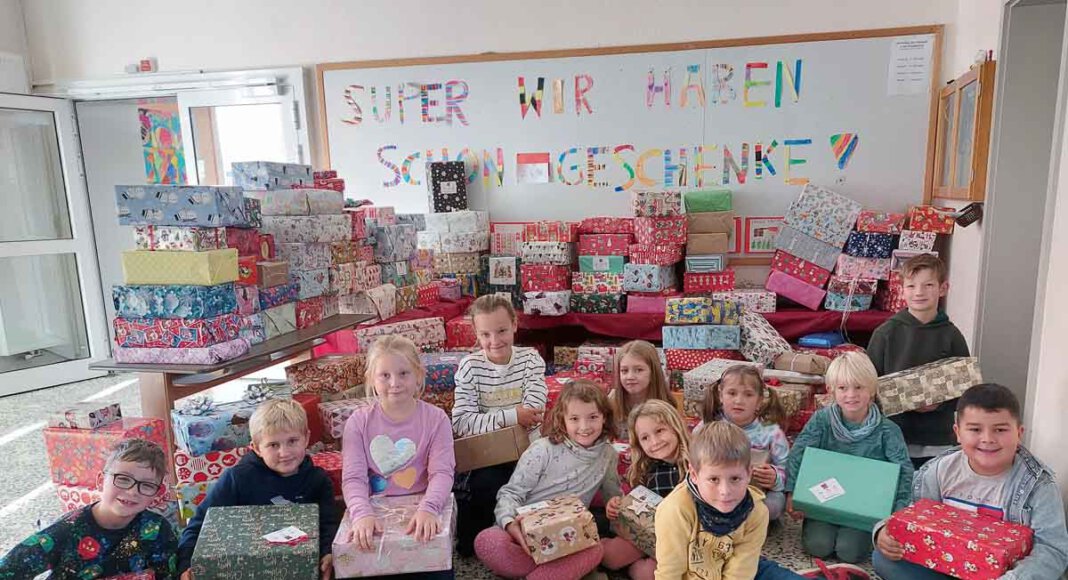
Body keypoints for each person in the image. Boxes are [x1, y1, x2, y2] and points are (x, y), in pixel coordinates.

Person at [873, 384, 1068, 579]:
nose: (987, 439)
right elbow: (911, 512)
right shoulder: (940, 469)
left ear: (1019, 433)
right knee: (885, 558)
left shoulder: (1038, 485)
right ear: (958, 432)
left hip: (1004, 575)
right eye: (975, 429)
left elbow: (1053, 549)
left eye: (1000, 430)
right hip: (946, 564)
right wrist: (884, 531)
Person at [178, 399, 340, 579]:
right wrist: (186, 565)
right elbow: (200, 524)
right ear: (256, 448)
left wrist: (327, 552)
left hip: (300, 569)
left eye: (292, 441)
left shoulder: (318, 480)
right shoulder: (237, 478)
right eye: (273, 445)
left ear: (306, 439)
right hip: (242, 571)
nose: (284, 453)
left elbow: (328, 524)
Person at [474, 380, 620, 580]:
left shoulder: (608, 455)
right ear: (563, 419)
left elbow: (613, 495)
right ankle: (553, 572)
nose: (584, 426)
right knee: (486, 541)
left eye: (593, 417)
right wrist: (510, 525)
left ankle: (544, 572)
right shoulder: (543, 449)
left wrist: (613, 503)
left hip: (568, 537)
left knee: (595, 551)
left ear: (605, 417)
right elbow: (511, 493)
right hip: (524, 533)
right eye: (575, 419)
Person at [341, 335, 456, 579]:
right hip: (376, 512)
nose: (395, 383)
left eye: (403, 373)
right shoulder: (358, 423)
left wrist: (429, 508)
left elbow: (442, 473)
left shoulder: (436, 419)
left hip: (423, 507)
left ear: (419, 376)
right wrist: (361, 514)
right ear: (372, 379)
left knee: (432, 566)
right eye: (385, 375)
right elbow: (353, 478)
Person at [785, 352, 913, 565]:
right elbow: (799, 452)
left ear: (871, 390)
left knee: (849, 551)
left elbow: (904, 471)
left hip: (866, 509)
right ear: (831, 391)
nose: (851, 395)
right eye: (843, 388)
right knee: (818, 546)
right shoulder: (822, 421)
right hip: (823, 503)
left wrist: (895, 516)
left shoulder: (888, 431)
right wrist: (792, 492)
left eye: (859, 387)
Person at [451, 294, 548, 556]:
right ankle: (491, 541)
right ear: (476, 333)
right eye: (485, 334)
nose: (495, 341)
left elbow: (535, 412)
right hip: (488, 455)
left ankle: (531, 540)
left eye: (502, 330)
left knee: (538, 484)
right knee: (485, 486)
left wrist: (497, 420)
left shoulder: (530, 360)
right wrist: (513, 416)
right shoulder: (470, 367)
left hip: (530, 449)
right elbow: (461, 422)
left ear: (515, 324)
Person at [0, 439, 177, 579]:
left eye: (146, 485)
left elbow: (167, 573)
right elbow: (8, 570)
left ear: (156, 493)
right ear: (101, 481)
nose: (132, 492)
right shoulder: (65, 531)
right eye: (123, 479)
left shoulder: (157, 528)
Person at [654, 421, 804, 580]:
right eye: (713, 479)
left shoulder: (757, 511)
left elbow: (741, 572)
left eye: (735, 478)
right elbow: (670, 573)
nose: (725, 492)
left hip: (742, 569)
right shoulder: (674, 510)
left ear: (748, 473)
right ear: (694, 475)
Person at [866, 253, 970, 469]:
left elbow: (966, 392)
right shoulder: (885, 334)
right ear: (901, 289)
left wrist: (940, 402)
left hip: (938, 438)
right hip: (894, 434)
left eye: (928, 285)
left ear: (943, 288)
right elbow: (868, 386)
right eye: (911, 286)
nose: (919, 292)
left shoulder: (953, 336)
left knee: (931, 496)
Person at [602, 399, 690, 579]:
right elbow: (633, 502)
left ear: (675, 427)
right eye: (645, 438)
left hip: (679, 541)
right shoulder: (645, 468)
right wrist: (616, 505)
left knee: (646, 573)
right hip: (645, 534)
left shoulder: (695, 465)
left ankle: (638, 564)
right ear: (638, 443)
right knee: (609, 556)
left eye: (659, 431)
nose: (655, 442)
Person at [700, 364, 790, 521]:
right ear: (721, 395)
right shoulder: (707, 427)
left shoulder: (771, 433)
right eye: (732, 393)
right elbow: (692, 459)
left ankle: (752, 525)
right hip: (718, 490)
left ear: (759, 400)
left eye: (748, 395)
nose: (739, 401)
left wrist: (775, 477)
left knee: (773, 505)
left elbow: (787, 468)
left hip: (756, 493)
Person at [608, 340, 678, 439]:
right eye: (624, 371)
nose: (630, 376)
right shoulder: (612, 401)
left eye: (639, 370)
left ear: (653, 372)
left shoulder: (666, 405)